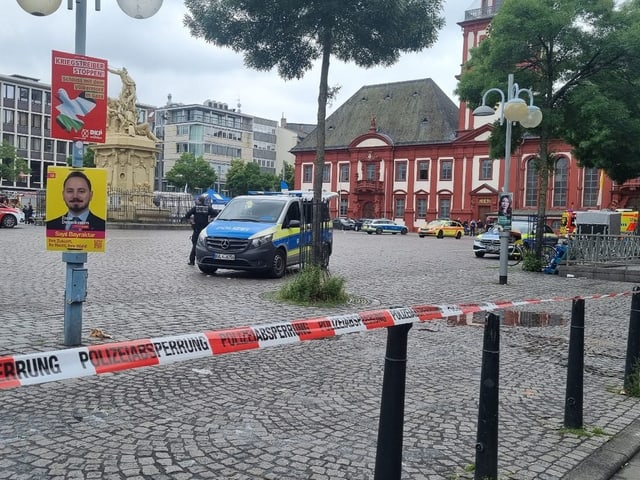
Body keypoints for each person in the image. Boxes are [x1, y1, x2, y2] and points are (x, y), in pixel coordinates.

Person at [183, 194, 217, 266]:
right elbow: (216, 213)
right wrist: (210, 219)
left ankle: (192, 260)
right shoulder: (208, 208)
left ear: (199, 201)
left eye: (197, 200)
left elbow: (187, 215)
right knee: (202, 244)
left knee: (195, 244)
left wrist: (192, 222)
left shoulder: (195, 208)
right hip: (204, 229)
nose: (196, 201)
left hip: (197, 228)